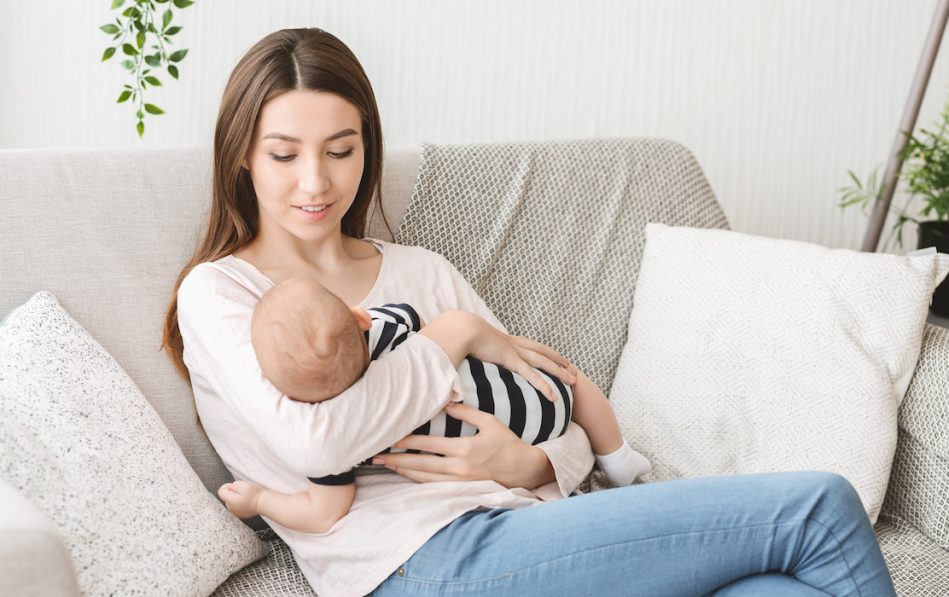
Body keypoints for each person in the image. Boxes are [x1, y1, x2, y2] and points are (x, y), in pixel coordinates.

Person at [162, 27, 897, 596]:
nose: (316, 181)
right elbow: (316, 448)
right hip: (413, 566)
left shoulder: (422, 272)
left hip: (528, 530)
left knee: (775, 587)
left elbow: (556, 404)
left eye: (341, 149)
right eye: (284, 154)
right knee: (820, 506)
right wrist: (448, 339)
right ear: (243, 159)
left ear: (367, 150)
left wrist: (529, 461)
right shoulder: (223, 293)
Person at [217, 277, 652, 534]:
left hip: (525, 457)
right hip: (539, 392)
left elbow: (324, 512)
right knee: (575, 381)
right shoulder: (384, 327)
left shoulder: (340, 436)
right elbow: (426, 325)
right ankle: (618, 458)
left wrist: (260, 500)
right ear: (360, 318)